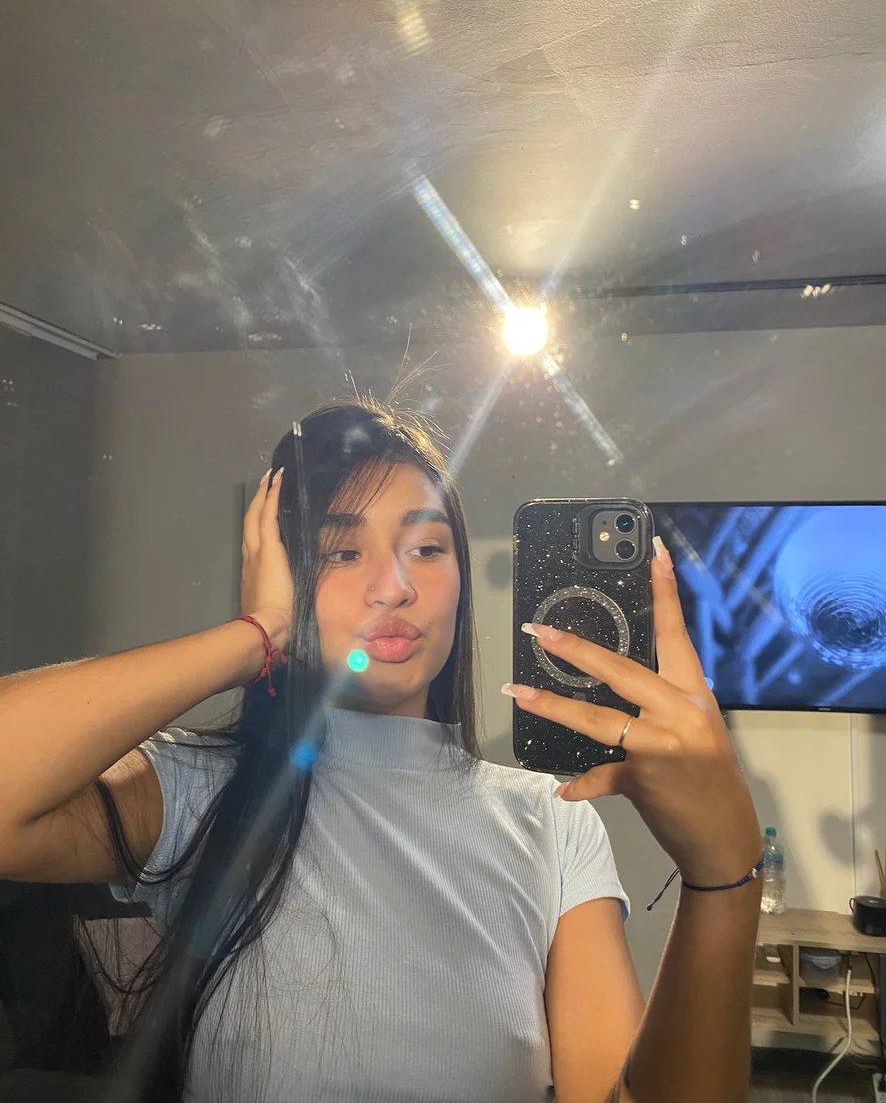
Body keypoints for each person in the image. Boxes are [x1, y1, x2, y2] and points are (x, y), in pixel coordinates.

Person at [0, 398, 762, 1103]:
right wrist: (256, 636)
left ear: (461, 580)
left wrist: (724, 875)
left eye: (427, 547)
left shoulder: (555, 821)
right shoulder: (200, 789)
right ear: (284, 574)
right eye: (339, 552)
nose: (394, 586)